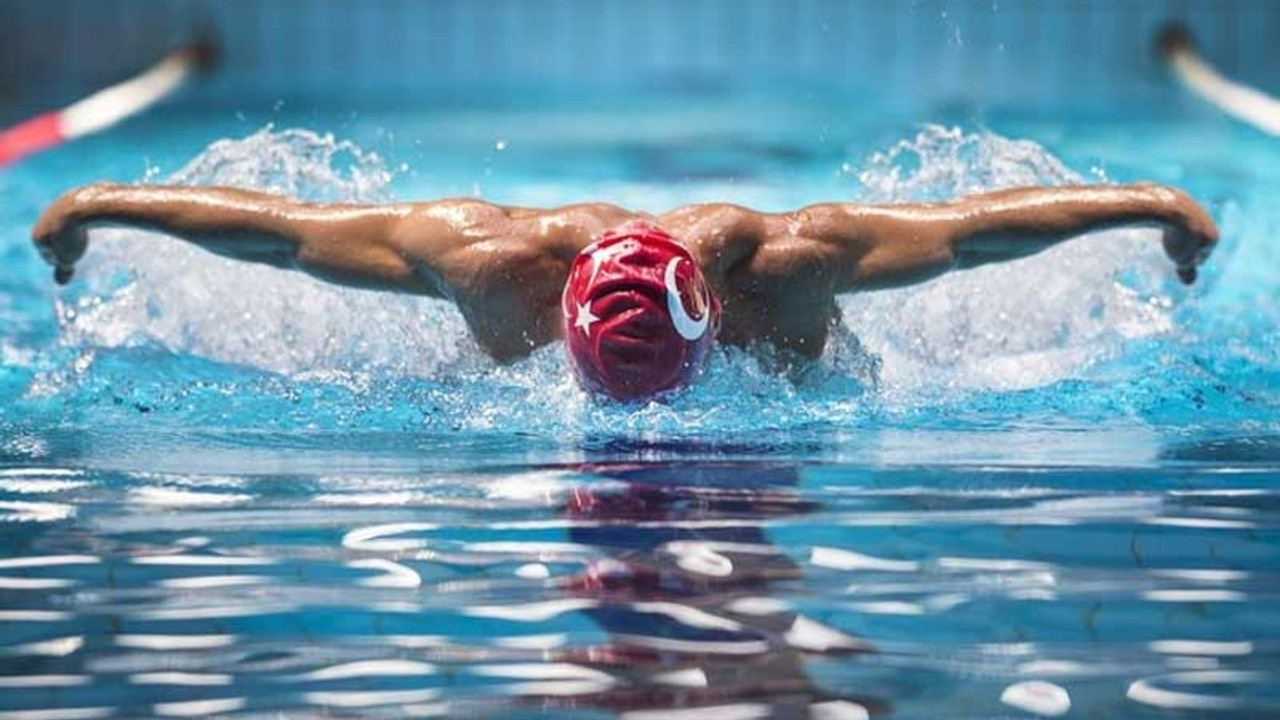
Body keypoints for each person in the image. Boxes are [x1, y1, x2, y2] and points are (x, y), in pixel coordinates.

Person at [32, 181, 1218, 400]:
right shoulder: (491, 265)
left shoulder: (792, 264)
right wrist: (101, 203)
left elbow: (966, 238)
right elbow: (286, 238)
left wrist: (1149, 202)